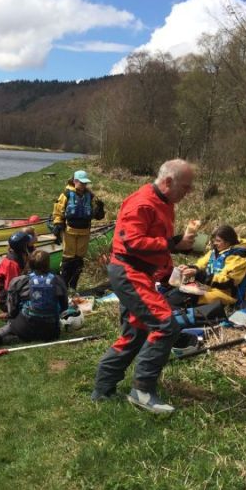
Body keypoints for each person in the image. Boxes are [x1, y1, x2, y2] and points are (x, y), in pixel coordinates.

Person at [91, 159, 196, 414]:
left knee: (134, 334)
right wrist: (173, 243)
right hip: (129, 271)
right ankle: (142, 391)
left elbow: (157, 242)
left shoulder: (166, 203)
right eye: (186, 187)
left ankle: (102, 390)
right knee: (165, 324)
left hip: (142, 272)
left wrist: (170, 268)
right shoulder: (142, 203)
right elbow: (133, 242)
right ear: (168, 181)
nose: (189, 192)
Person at [0, 250, 69, 350]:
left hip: (25, 326)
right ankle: (11, 339)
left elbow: (12, 310)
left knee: (10, 326)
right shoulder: (58, 280)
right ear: (48, 263)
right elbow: (64, 306)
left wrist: (9, 315)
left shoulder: (19, 281)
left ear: (29, 263)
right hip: (51, 331)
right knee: (27, 330)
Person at [51, 169, 105, 291]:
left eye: (85, 183)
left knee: (79, 259)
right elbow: (58, 211)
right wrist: (58, 225)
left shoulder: (90, 196)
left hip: (84, 232)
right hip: (70, 231)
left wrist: (100, 208)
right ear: (75, 181)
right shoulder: (66, 194)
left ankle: (73, 286)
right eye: (82, 183)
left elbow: (98, 216)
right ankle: (64, 286)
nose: (84, 185)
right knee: (68, 258)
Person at [178, 224, 246, 307]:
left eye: (218, 241)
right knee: (181, 291)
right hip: (210, 288)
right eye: (214, 240)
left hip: (227, 294)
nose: (215, 243)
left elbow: (227, 281)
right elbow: (201, 264)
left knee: (191, 299)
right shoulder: (216, 251)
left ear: (228, 242)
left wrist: (200, 275)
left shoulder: (238, 257)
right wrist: (189, 268)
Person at [0, 231, 33, 313]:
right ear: (23, 246)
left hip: (14, 290)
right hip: (4, 299)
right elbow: (11, 287)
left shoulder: (21, 253)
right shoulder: (12, 264)